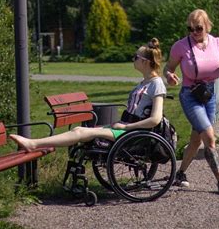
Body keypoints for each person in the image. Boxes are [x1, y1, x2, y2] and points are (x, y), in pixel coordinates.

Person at [10, 38, 167, 152]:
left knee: (80, 132)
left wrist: (127, 126)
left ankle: (34, 144)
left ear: (145, 62)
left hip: (133, 134)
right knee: (80, 130)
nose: (133, 60)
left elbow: (155, 119)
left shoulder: (156, 83)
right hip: (126, 129)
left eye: (136, 57)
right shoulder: (144, 82)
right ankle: (35, 143)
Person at [163, 9, 219, 194]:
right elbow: (168, 68)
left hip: (209, 94)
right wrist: (169, 75)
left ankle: (179, 174)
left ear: (207, 26)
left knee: (196, 140)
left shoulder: (218, 43)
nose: (194, 32)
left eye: (198, 28)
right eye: (190, 28)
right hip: (190, 95)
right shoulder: (180, 46)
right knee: (209, 138)